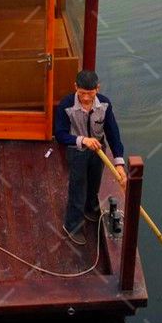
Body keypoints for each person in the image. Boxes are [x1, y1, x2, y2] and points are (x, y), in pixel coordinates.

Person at [55, 70, 127, 246]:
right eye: (82, 93)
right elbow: (60, 135)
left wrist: (118, 162)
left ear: (98, 88)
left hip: (98, 151)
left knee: (94, 183)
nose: (86, 98)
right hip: (77, 150)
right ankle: (72, 226)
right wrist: (83, 140)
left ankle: (90, 209)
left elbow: (112, 133)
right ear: (75, 88)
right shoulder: (66, 105)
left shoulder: (105, 104)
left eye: (90, 93)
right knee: (78, 187)